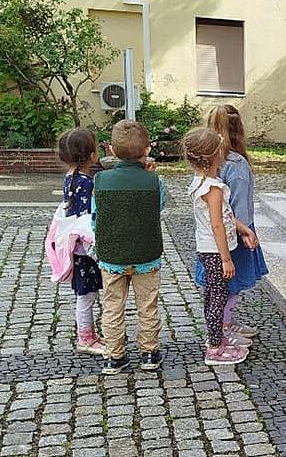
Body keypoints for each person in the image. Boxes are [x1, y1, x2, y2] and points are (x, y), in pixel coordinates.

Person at [92, 120, 168, 375]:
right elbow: (159, 206)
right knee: (147, 304)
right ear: (147, 150)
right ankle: (148, 352)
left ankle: (114, 356)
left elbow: (95, 216)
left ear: (111, 150)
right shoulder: (154, 182)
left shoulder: (100, 181)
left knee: (113, 305)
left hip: (112, 256)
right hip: (147, 254)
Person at [184, 127, 258, 366]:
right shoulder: (213, 189)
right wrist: (226, 259)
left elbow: (224, 217)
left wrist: (242, 228)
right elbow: (217, 225)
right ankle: (215, 347)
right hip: (215, 252)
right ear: (214, 156)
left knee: (214, 295)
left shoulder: (203, 182)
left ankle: (218, 337)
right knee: (218, 297)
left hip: (209, 249)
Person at [198, 105, 267, 341]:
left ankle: (226, 322)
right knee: (231, 284)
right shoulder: (237, 165)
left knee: (219, 285)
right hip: (233, 235)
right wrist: (246, 232)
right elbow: (237, 207)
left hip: (211, 235)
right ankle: (224, 326)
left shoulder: (206, 164)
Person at [57, 127, 106, 355]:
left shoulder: (70, 178)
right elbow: (91, 215)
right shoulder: (87, 183)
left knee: (88, 293)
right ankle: (85, 338)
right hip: (85, 248)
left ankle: (90, 333)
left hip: (76, 246)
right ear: (92, 156)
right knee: (86, 295)